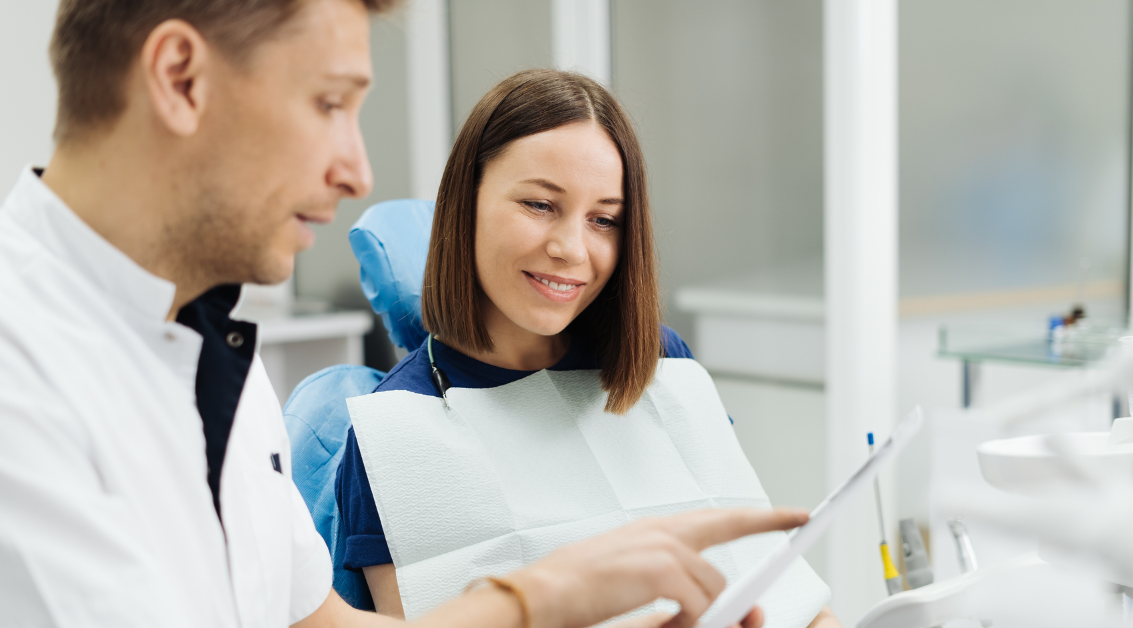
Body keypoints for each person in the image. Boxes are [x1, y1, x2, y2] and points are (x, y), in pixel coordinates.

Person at [0, 0, 805, 627]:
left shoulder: (213, 357)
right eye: (330, 104)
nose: (358, 171)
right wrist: (541, 597)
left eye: (603, 218)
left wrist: (555, 595)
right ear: (181, 79)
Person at [337, 69, 842, 628]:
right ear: (466, 199)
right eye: (539, 205)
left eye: (604, 219)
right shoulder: (393, 438)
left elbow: (786, 595)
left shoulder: (662, 362)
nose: (571, 248)